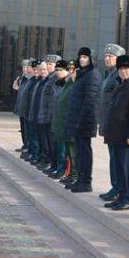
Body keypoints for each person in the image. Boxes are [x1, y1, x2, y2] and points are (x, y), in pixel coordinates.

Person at [101, 54, 129, 211]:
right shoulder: (120, 84)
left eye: (127, 68)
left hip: (127, 136)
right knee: (119, 168)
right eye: (121, 68)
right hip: (115, 135)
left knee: (127, 168)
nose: (123, 71)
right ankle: (121, 195)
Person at [64, 47, 102, 193]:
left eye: (85, 57)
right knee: (79, 151)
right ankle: (80, 179)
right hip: (78, 120)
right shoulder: (82, 74)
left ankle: (86, 181)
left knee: (84, 152)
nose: (82, 59)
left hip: (85, 121)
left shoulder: (93, 74)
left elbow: (90, 101)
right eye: (80, 57)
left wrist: (81, 120)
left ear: (91, 59)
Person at [98, 43, 127, 203]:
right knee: (113, 157)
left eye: (111, 56)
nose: (107, 58)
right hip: (108, 123)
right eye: (106, 55)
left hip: (116, 125)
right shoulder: (109, 75)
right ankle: (115, 186)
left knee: (118, 159)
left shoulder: (119, 76)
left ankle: (119, 188)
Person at [52, 61, 77, 183]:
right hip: (61, 121)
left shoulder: (74, 85)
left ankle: (71, 173)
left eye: (73, 70)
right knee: (66, 150)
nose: (71, 72)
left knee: (70, 152)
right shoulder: (65, 84)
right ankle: (68, 173)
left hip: (70, 123)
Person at [35, 54, 62, 168]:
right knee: (46, 141)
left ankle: (51, 163)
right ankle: (48, 161)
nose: (48, 66)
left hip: (50, 117)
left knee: (51, 143)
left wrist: (49, 116)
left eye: (50, 64)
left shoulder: (56, 79)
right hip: (45, 115)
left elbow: (53, 100)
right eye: (47, 63)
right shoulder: (49, 78)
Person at [46, 60, 71, 178]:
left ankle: (62, 170)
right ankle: (56, 167)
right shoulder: (58, 84)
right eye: (57, 70)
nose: (58, 72)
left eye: (61, 70)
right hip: (56, 120)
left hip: (64, 122)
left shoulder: (68, 84)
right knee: (56, 147)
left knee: (63, 150)